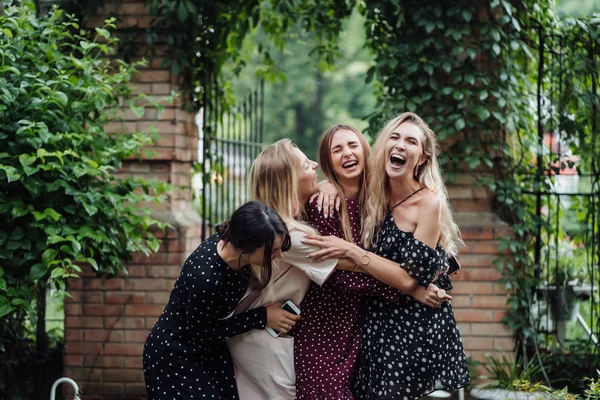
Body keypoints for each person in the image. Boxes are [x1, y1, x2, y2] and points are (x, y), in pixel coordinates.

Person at [304, 112, 470, 399]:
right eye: (394, 137)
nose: (400, 146)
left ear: (422, 157)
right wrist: (327, 183)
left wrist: (354, 252)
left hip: (409, 324)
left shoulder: (429, 202)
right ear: (382, 148)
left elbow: (407, 280)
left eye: (410, 141)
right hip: (371, 320)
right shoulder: (373, 191)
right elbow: (344, 178)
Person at [228, 139, 367, 400]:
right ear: (290, 181)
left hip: (259, 335)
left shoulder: (282, 220)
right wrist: (409, 279)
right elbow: (356, 269)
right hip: (261, 339)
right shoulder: (290, 236)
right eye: (306, 164)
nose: (315, 164)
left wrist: (329, 185)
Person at [142, 201, 296, 400]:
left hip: (207, 350)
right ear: (249, 246)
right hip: (175, 354)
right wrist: (261, 316)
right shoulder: (206, 279)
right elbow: (203, 332)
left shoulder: (233, 247)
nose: (280, 255)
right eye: (273, 250)